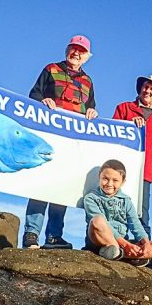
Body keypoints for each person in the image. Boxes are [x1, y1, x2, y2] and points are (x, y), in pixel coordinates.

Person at [23, 35, 98, 249]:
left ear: (86, 57)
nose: (76, 53)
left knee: (61, 186)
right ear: (67, 50)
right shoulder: (51, 69)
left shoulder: (88, 81)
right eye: (73, 49)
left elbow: (90, 107)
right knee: (41, 182)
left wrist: (92, 111)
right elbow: (33, 94)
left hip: (71, 142)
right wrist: (41, 101)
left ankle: (54, 235)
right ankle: (31, 234)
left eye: (80, 51)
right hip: (48, 136)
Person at [112, 75, 152, 238]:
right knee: (118, 207)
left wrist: (147, 156)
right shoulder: (124, 108)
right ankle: (118, 241)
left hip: (145, 172)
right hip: (120, 170)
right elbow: (112, 133)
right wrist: (130, 126)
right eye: (146, 87)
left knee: (142, 210)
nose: (148, 91)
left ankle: (143, 247)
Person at [84, 159, 152, 267]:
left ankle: (119, 254)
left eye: (115, 180)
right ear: (99, 177)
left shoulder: (126, 201)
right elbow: (101, 224)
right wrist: (125, 244)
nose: (109, 184)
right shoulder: (91, 198)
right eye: (105, 179)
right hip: (101, 240)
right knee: (97, 221)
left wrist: (145, 241)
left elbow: (135, 223)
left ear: (123, 182)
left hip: (123, 243)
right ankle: (125, 254)